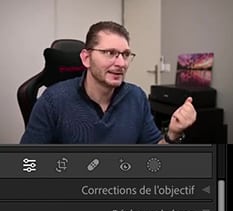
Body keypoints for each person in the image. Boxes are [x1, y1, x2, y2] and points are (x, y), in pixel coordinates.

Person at [21, 20, 197, 144]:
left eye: (125, 54)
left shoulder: (136, 97)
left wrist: (173, 133)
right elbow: (28, 163)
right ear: (86, 58)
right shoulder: (52, 100)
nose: (121, 63)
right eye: (110, 53)